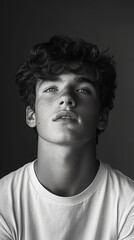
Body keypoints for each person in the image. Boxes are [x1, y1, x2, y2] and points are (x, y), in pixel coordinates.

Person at [0, 35, 134, 240]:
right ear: (31, 115)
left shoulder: (128, 202)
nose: (66, 98)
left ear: (102, 117)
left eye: (82, 90)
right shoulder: (4, 200)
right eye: (51, 88)